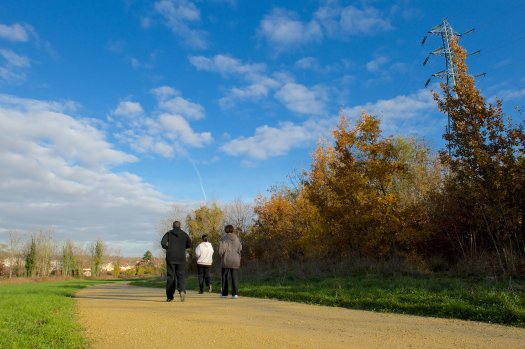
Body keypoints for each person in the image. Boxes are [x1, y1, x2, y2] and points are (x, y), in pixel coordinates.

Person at [161, 221, 192, 302]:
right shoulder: (184, 234)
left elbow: (162, 243)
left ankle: (170, 296)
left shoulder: (168, 234)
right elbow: (190, 243)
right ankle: (182, 290)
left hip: (170, 258)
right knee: (181, 275)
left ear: (173, 226)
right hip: (181, 257)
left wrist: (167, 248)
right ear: (180, 226)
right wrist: (183, 248)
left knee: (171, 277)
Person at [219, 225, 242, 298]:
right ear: (232, 230)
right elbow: (240, 248)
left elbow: (221, 250)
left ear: (226, 230)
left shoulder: (224, 238)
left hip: (226, 259)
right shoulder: (237, 238)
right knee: (234, 277)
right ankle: (235, 294)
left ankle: (224, 294)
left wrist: (221, 255)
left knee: (224, 276)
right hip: (236, 259)